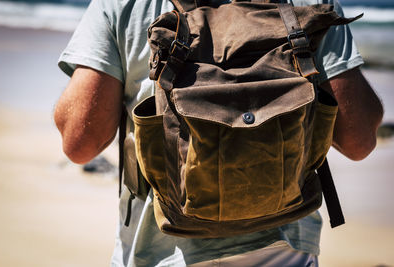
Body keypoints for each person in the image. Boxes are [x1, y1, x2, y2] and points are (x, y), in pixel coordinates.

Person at [54, 0, 383, 266]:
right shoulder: (309, 4)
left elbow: (80, 144)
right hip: (284, 253)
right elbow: (359, 140)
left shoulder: (124, 5)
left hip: (163, 255)